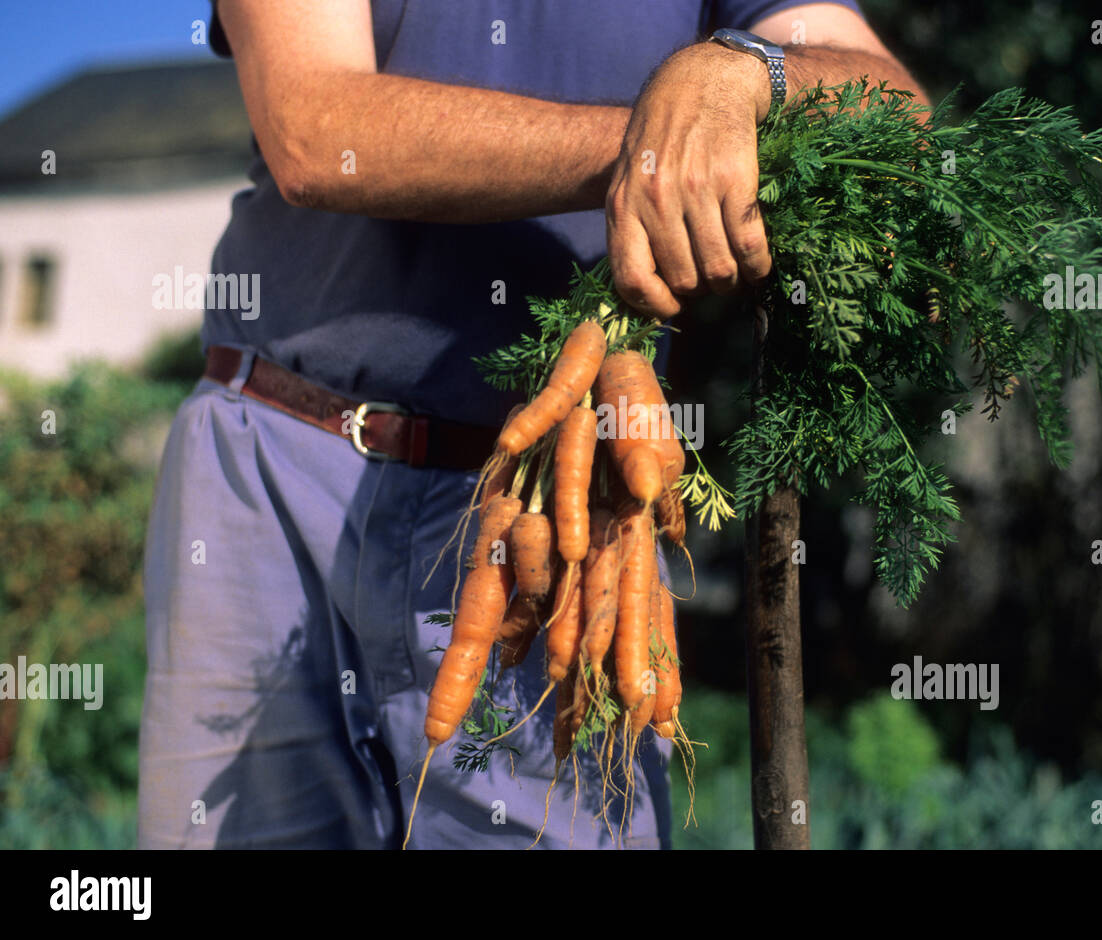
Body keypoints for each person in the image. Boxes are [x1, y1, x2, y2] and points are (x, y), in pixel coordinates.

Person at [137, 0, 926, 849]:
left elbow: (895, 110)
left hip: (555, 516)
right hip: (268, 459)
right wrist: (662, 149)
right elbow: (315, 131)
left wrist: (745, 74)